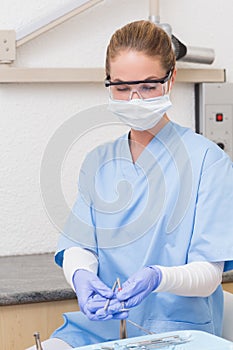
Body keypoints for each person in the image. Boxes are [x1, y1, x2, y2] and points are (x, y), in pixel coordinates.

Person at [33, 20, 233, 349]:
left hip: (176, 334)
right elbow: (80, 245)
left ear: (171, 80)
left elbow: (208, 275)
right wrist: (81, 275)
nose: (135, 99)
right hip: (101, 331)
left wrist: (158, 276)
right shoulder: (99, 162)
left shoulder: (207, 163)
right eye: (122, 88)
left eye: (149, 86)